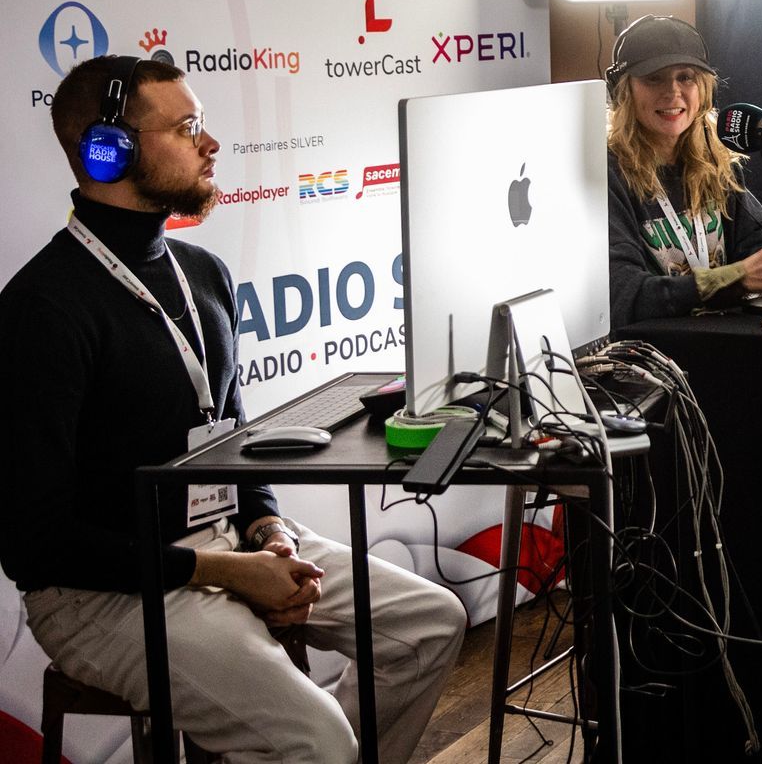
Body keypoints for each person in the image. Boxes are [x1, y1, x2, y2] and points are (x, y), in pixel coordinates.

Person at [0, 56, 468, 764]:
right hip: (98, 594)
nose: (211, 144)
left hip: (226, 543)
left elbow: (232, 442)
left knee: (431, 623)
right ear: (109, 152)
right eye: (187, 128)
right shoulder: (43, 309)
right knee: (317, 741)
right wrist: (223, 572)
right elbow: (35, 546)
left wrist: (268, 529)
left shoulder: (202, 274)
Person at [605, 15, 762, 320]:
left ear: (705, 90)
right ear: (622, 90)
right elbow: (622, 293)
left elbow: (760, 244)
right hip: (653, 345)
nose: (673, 91)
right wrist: (736, 279)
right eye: (654, 78)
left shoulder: (715, 160)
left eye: (686, 77)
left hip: (720, 338)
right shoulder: (608, 174)